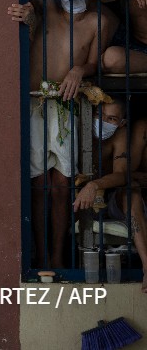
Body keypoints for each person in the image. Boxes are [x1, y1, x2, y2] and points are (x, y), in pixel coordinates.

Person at [9, 0, 116, 268]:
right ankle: (42, 254)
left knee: (62, 186)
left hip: (67, 105)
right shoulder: (49, 10)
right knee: (39, 184)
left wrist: (79, 69)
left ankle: (58, 254)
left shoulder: (98, 22)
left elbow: (94, 62)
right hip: (34, 103)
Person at [72, 103, 147, 293]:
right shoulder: (76, 128)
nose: (103, 121)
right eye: (99, 114)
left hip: (109, 197)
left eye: (111, 119)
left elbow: (121, 175)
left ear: (122, 123)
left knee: (132, 192)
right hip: (76, 199)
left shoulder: (120, 135)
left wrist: (94, 185)